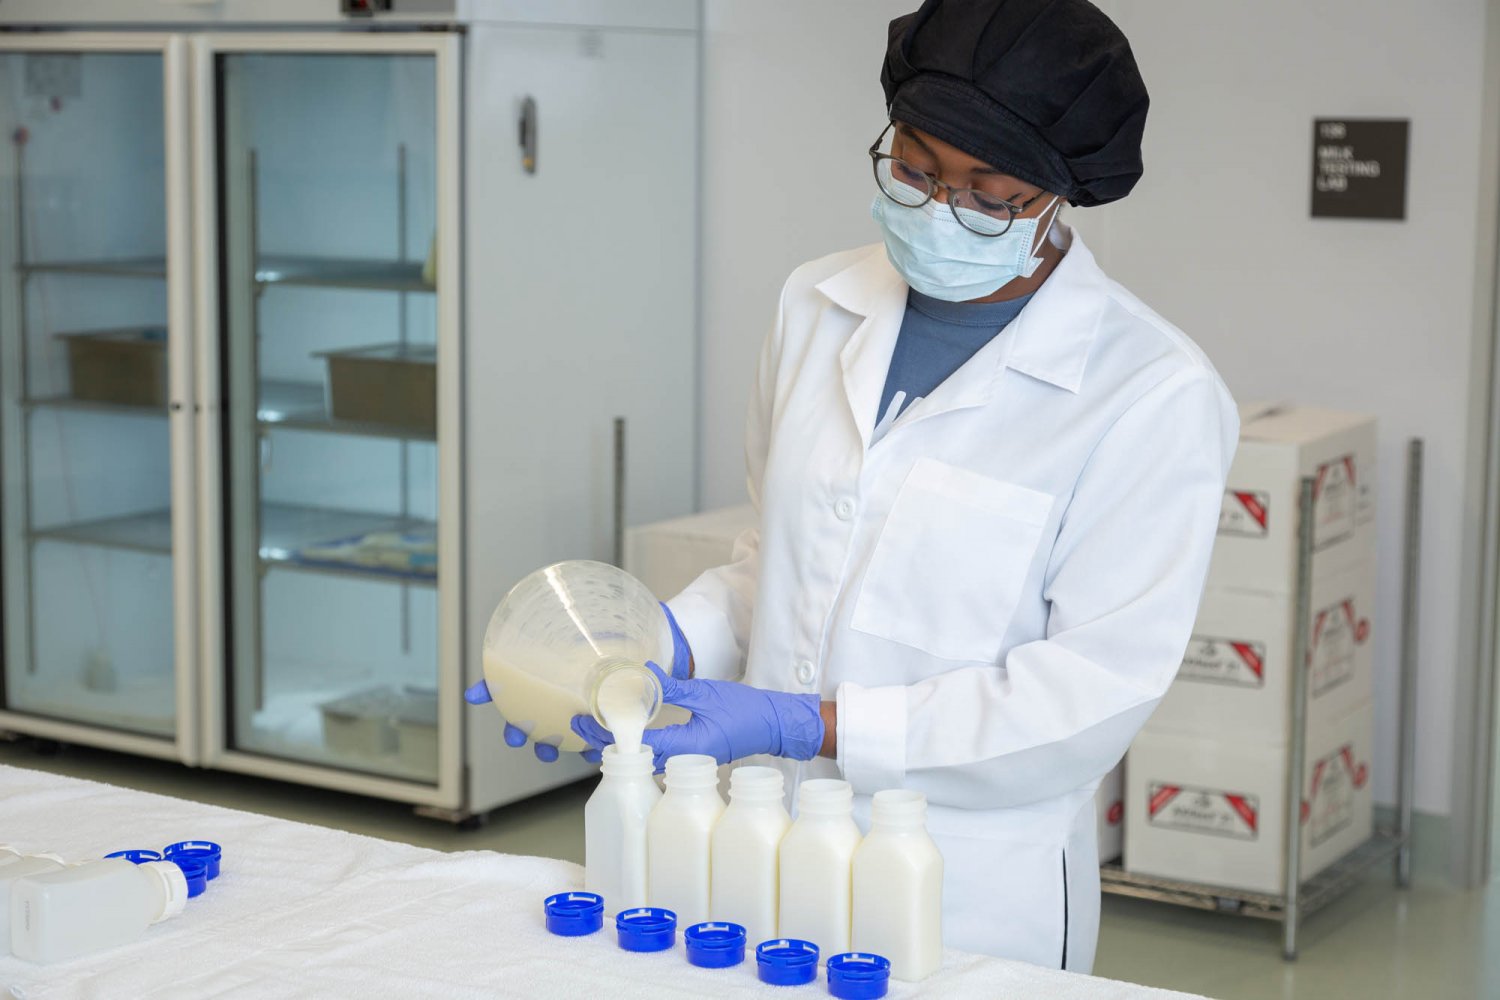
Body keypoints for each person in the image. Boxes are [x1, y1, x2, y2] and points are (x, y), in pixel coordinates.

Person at [471, 0, 1237, 972]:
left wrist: (817, 724)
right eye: (915, 168)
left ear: (1057, 198)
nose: (939, 208)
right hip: (755, 852)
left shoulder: (1151, 395)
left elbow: (1085, 698)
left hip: (966, 892)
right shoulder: (815, 304)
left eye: (989, 194)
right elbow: (783, 559)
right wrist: (649, 639)